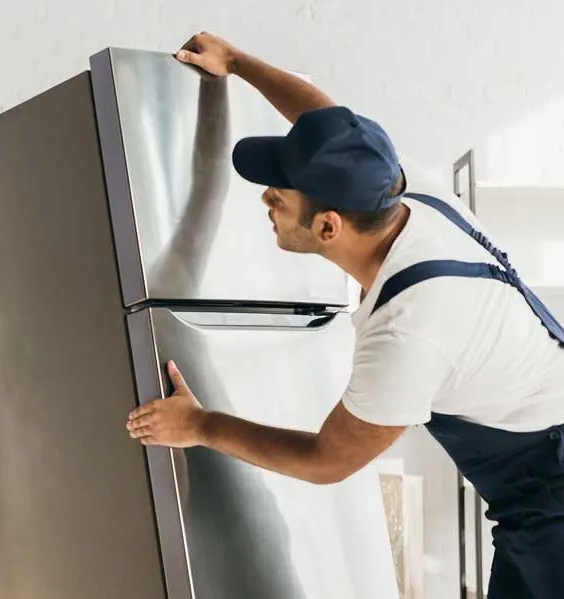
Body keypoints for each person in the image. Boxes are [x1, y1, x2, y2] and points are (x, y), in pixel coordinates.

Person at [126, 32, 564, 599]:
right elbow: (327, 119)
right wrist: (236, 62)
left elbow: (327, 459)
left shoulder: (408, 330)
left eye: (276, 196)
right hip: (538, 495)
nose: (265, 201)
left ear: (328, 226)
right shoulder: (406, 193)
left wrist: (202, 425)